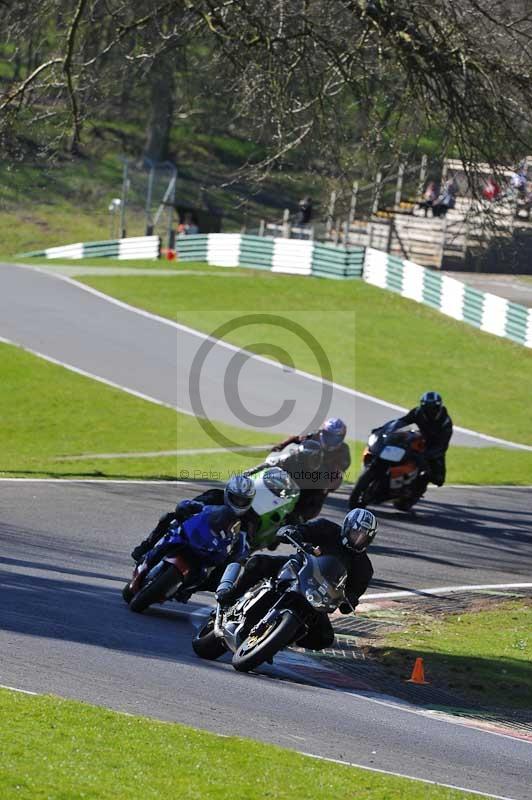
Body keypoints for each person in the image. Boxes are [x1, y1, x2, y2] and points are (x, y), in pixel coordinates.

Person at [216, 507, 378, 650]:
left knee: (324, 638)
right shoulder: (327, 528)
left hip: (319, 596)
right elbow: (303, 530)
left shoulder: (364, 568)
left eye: (363, 537)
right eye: (356, 533)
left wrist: (350, 601)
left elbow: (354, 592)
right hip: (296, 569)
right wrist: (293, 532)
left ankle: (279, 641)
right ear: (347, 527)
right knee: (256, 563)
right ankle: (230, 596)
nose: (358, 539)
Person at [131, 475, 257, 563]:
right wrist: (188, 507)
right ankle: (147, 546)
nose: (239, 503)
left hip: (218, 547)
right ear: (227, 492)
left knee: (228, 563)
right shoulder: (215, 495)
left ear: (250, 501)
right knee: (169, 517)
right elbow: (195, 503)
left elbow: (248, 541)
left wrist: (242, 550)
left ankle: (210, 585)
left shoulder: (249, 517)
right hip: (197, 530)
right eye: (236, 498)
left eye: (243, 500)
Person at [380, 391, 453, 496]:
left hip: (434, 447)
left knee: (438, 478)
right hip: (417, 440)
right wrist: (386, 430)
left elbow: (443, 445)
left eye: (433, 408)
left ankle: (413, 492)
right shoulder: (417, 412)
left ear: (439, 407)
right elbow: (402, 422)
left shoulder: (445, 422)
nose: (430, 411)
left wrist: (428, 455)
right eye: (427, 408)